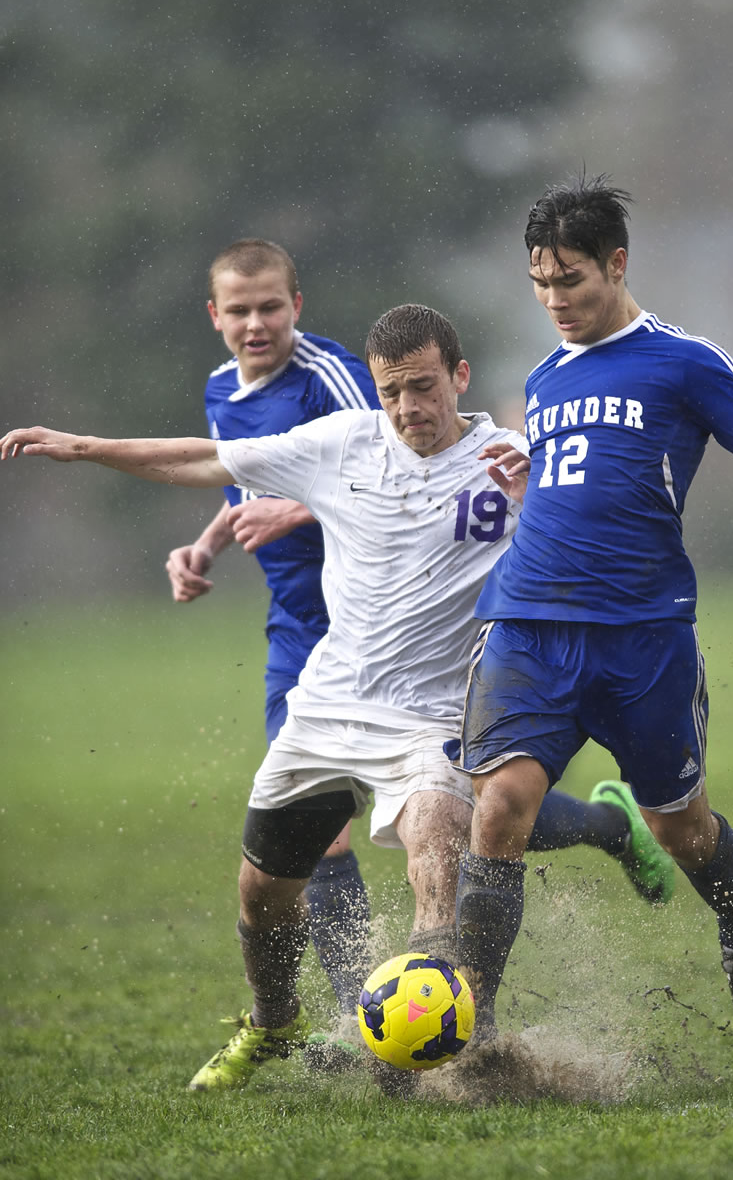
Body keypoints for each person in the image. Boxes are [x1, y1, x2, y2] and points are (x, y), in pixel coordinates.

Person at [1, 304, 673, 1097]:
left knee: (438, 847)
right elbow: (203, 459)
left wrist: (539, 508)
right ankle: (275, 1019)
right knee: (262, 892)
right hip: (325, 709)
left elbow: (609, 547)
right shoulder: (343, 442)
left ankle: (434, 1042)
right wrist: (82, 448)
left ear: (459, 377)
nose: (408, 408)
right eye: (391, 392)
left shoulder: (511, 460)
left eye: (423, 388)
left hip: (434, 718)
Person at [448, 176, 733, 1044]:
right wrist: (531, 489)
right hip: (531, 621)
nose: (554, 300)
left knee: (677, 827)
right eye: (540, 283)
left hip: (643, 635)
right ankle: (475, 1028)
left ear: (617, 263)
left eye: (570, 279)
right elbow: (570, 486)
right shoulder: (539, 380)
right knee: (499, 805)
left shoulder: (683, 360)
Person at [164, 238, 379, 1017]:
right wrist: (205, 545)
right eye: (240, 310)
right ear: (215, 315)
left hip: (379, 625)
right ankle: (369, 1017)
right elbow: (242, 482)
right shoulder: (223, 388)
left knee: (463, 808)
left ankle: (608, 828)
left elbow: (397, 469)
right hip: (296, 633)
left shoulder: (330, 379)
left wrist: (302, 506)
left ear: (298, 307)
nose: (257, 324)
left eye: (271, 307)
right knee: (317, 829)